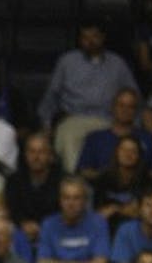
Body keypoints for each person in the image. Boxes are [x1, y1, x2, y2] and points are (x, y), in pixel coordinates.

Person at [38, 18, 139, 173]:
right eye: (85, 37)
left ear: (103, 38)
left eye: (94, 36)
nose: (90, 42)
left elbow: (134, 97)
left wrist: (135, 125)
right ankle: (76, 186)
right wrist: (46, 126)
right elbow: (51, 96)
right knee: (69, 141)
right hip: (75, 119)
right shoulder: (67, 61)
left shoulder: (117, 64)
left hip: (108, 121)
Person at [34, 176, 110, 263]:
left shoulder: (98, 222)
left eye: (76, 198)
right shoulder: (49, 224)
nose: (71, 203)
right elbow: (43, 261)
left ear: (85, 201)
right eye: (66, 198)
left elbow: (101, 262)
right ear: (60, 200)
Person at [76, 88, 152, 180]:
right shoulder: (95, 138)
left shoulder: (149, 139)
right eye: (121, 105)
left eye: (130, 106)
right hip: (102, 189)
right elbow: (84, 171)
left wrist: (134, 176)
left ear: (136, 111)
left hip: (138, 191)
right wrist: (107, 177)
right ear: (113, 107)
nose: (125, 110)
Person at [5, 132, 63, 245]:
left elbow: (64, 210)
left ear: (50, 155)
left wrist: (43, 227)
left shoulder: (62, 180)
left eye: (41, 152)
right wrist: (23, 224)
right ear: (25, 154)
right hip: (21, 230)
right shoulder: (14, 180)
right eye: (32, 152)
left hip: (55, 230)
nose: (36, 157)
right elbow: (12, 208)